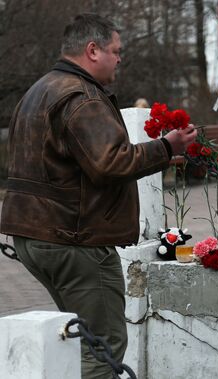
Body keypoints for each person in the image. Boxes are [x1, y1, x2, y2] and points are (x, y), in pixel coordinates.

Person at [0, 13, 197, 379]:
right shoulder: (82, 97)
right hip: (74, 239)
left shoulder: (38, 90)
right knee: (101, 345)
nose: (120, 59)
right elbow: (110, 163)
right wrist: (166, 147)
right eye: (116, 51)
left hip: (34, 235)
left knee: (80, 337)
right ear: (93, 50)